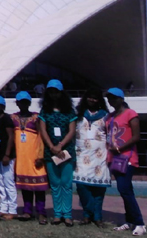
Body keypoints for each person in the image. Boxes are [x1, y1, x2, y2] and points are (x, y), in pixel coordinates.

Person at [105, 87, 145, 236]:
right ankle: (130, 221)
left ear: (121, 99)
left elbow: (136, 136)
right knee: (126, 190)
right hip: (113, 158)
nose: (111, 100)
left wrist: (120, 148)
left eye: (114, 98)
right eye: (109, 98)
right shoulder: (110, 117)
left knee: (124, 190)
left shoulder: (130, 113)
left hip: (127, 157)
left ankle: (139, 223)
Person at [38, 79, 77, 227]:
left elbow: (72, 131)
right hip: (50, 153)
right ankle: (57, 214)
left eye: (56, 92)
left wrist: (60, 145)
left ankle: (67, 215)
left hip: (66, 152)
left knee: (66, 183)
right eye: (51, 92)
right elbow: (43, 130)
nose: (53, 95)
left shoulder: (69, 111)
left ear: (62, 93)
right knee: (55, 184)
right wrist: (52, 147)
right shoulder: (45, 111)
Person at [73, 88, 110, 227]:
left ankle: (97, 217)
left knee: (99, 189)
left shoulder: (105, 116)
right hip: (81, 155)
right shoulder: (78, 114)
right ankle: (88, 213)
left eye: (95, 98)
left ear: (99, 100)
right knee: (81, 186)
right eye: (90, 97)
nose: (92, 100)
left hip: (100, 156)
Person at [10, 91, 48, 224]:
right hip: (21, 158)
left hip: (35, 157)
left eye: (26, 102)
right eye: (21, 102)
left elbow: (41, 136)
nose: (23, 105)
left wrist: (40, 155)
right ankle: (27, 211)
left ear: (29, 103)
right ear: (17, 103)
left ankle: (41, 212)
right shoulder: (13, 118)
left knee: (39, 187)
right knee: (25, 187)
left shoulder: (36, 118)